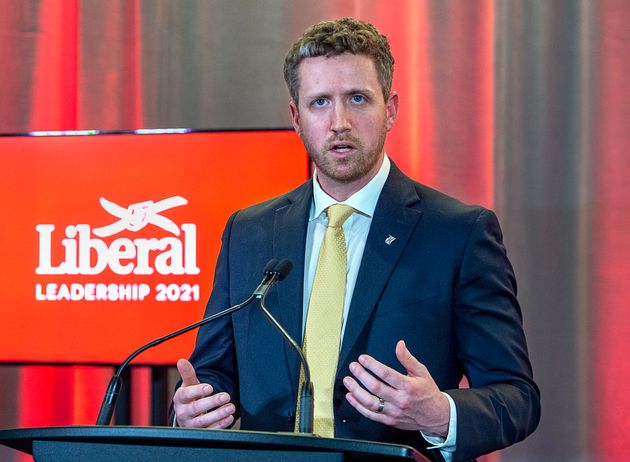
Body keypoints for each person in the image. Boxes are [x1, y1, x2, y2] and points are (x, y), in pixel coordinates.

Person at [172, 17, 540, 462]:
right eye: (320, 102)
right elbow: (212, 373)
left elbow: (517, 396)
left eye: (358, 99)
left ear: (390, 109)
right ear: (296, 116)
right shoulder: (248, 232)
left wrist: (440, 413)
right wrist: (195, 411)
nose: (339, 122)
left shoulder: (458, 232)